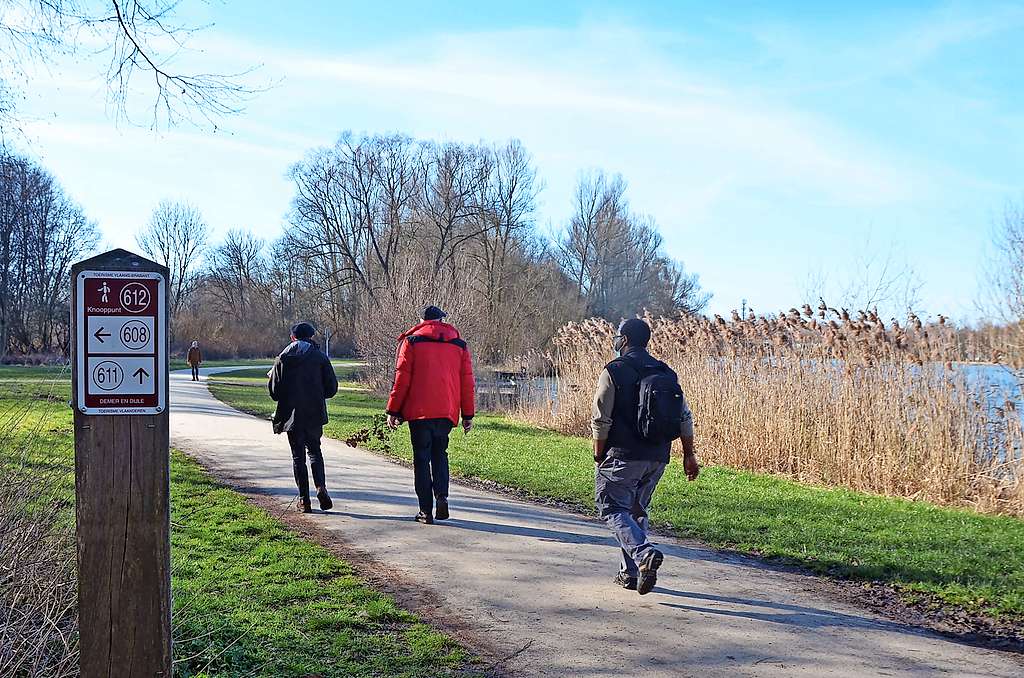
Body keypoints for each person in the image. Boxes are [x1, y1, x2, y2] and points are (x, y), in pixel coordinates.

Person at [592, 318, 699, 595]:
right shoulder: (666, 372)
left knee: (611, 506)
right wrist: (689, 455)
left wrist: (598, 454)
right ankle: (630, 574)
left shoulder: (614, 370)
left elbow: (601, 419)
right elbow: (685, 418)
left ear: (624, 340)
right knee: (636, 510)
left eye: (618, 336)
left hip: (623, 454)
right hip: (658, 456)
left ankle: (643, 555)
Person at [386, 305, 475, 525]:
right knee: (440, 454)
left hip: (418, 412)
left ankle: (425, 511)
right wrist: (468, 415)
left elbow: (402, 379)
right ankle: (442, 496)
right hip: (446, 411)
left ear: (422, 320)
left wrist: (393, 410)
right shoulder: (459, 345)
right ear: (443, 320)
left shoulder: (412, 342)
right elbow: (467, 382)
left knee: (421, 459)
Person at [268, 322, 339, 513]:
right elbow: (332, 388)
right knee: (315, 451)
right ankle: (321, 487)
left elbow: (274, 392)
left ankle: (304, 500)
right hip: (314, 413)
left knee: (298, 457)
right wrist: (316, 393)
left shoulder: (282, 358)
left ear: (293, 338)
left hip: (292, 416)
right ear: (311, 337)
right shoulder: (320, 358)